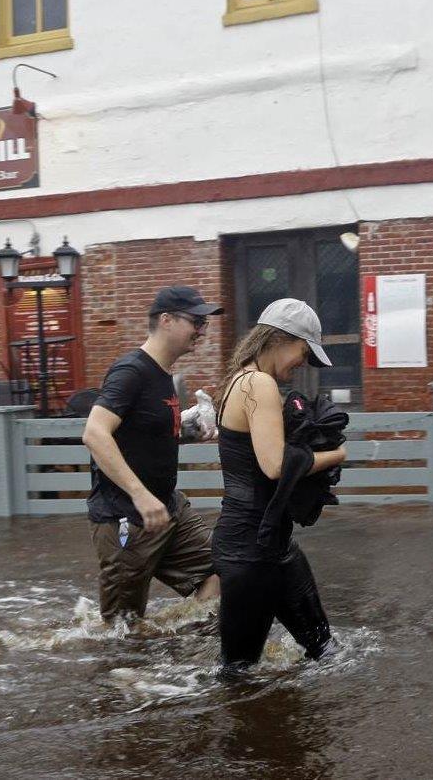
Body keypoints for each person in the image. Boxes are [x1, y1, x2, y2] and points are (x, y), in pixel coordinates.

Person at [212, 298, 346, 670]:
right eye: (304, 352)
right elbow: (274, 466)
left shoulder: (242, 378)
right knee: (239, 673)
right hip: (248, 551)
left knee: (326, 650)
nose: (302, 364)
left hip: (270, 543)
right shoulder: (258, 384)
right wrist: (336, 456)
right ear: (279, 339)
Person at [81, 286, 224, 621]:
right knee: (122, 630)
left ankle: (184, 654)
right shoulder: (131, 371)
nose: (202, 330)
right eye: (196, 321)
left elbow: (141, 433)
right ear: (166, 320)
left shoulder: (164, 376)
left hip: (168, 511)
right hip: (127, 518)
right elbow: (95, 433)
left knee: (222, 572)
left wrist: (187, 432)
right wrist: (141, 496)